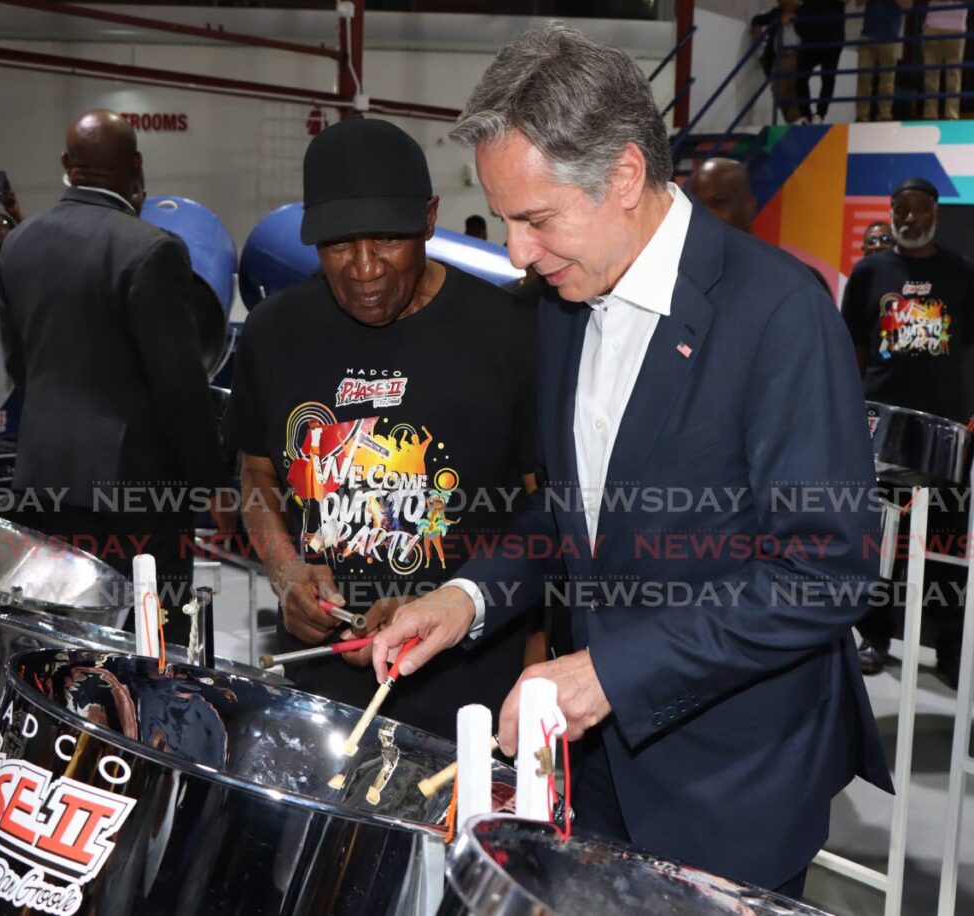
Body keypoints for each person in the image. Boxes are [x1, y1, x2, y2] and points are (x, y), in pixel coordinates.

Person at [372, 23, 891, 899]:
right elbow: (575, 515)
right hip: (602, 766)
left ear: (621, 177)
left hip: (734, 778)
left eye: (534, 219)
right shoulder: (566, 302)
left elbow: (824, 571)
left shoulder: (777, 314)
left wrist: (614, 673)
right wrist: (468, 597)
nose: (515, 253)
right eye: (505, 219)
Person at [223, 117, 536, 740]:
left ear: (428, 218)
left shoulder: (507, 331)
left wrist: (532, 677)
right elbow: (257, 472)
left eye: (388, 241)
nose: (364, 270)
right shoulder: (275, 331)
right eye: (339, 245)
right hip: (323, 689)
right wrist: (286, 573)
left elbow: (547, 511)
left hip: (469, 695)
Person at [0, 109, 227, 643]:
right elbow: (179, 388)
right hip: (138, 496)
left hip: (41, 482)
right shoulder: (152, 250)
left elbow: (16, 365)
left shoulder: (20, 242)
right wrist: (215, 485)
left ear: (66, 166)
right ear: (137, 168)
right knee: (150, 640)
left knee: (57, 637)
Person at [841, 177, 974, 687]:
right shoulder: (871, 272)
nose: (909, 219)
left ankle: (951, 650)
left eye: (918, 210)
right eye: (901, 210)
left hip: (944, 436)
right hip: (882, 435)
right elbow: (853, 345)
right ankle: (874, 636)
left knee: (948, 545)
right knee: (881, 546)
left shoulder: (961, 274)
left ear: (935, 213)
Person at [688, 156, 833, 294]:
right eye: (697, 204)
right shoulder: (680, 281)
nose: (704, 214)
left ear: (749, 207)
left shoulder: (799, 280)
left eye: (719, 202)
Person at [856, 0, 913, 122]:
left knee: (887, 80)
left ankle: (885, 114)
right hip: (868, 35)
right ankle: (861, 115)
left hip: (890, 37)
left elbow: (907, 4)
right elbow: (857, 2)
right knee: (863, 78)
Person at [752, 0, 804, 123]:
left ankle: (796, 121)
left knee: (796, 90)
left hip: (798, 56)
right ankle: (792, 121)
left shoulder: (804, 12)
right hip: (780, 57)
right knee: (778, 92)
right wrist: (756, 28)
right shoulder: (776, 13)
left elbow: (810, 29)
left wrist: (794, 20)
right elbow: (758, 19)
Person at [795, 0, 846, 123]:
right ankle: (805, 114)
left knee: (827, 78)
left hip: (831, 37)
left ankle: (820, 114)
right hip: (810, 37)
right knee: (800, 76)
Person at [922, 1, 968, 120]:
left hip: (956, 27)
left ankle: (951, 115)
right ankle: (930, 114)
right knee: (931, 74)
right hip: (932, 26)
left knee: (953, 74)